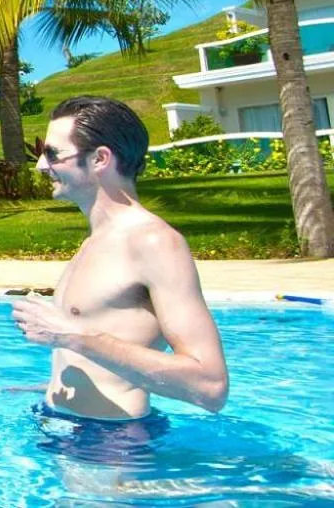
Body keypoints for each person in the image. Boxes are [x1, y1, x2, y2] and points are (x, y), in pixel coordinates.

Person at [13, 95, 229, 433]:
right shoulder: (94, 241)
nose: (41, 165)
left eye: (53, 153)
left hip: (113, 446)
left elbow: (211, 387)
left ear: (100, 159)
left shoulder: (154, 242)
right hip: (65, 427)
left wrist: (73, 336)